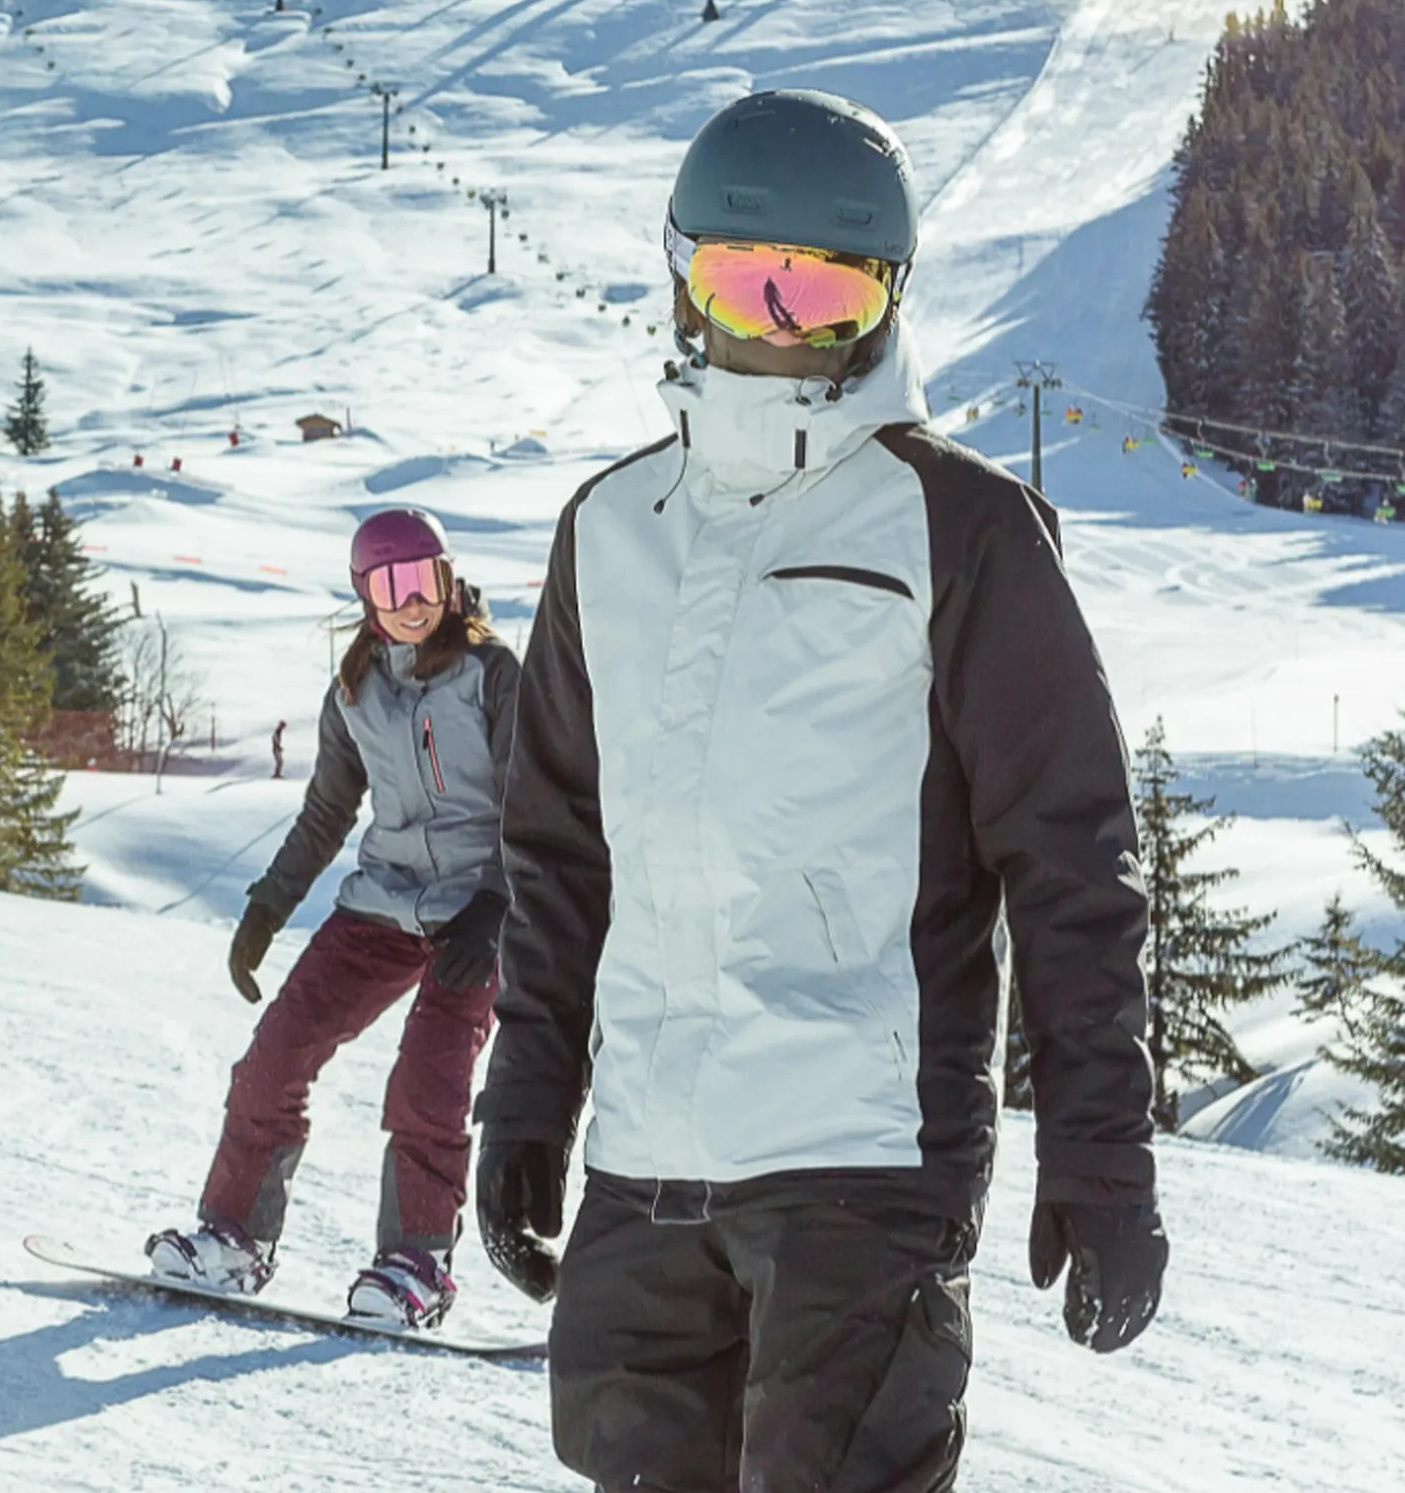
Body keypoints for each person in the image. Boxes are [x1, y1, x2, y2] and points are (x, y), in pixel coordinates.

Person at [473, 89, 1167, 1490]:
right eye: (745, 281)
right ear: (682, 281)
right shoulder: (606, 531)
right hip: (648, 1151)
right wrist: (531, 1095)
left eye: (826, 295)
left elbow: (1073, 855)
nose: (781, 328)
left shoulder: (959, 527)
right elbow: (557, 848)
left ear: (886, 303)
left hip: (863, 1155)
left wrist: (1102, 1152)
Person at [148, 508, 518, 1329]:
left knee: (427, 1083)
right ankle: (234, 1238)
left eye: (425, 580)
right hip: (381, 905)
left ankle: (416, 1262)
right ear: (365, 596)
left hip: (475, 911)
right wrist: (268, 905)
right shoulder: (355, 689)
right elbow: (327, 812)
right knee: (273, 1060)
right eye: (391, 585)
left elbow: (533, 805)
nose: (412, 600)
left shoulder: (494, 675)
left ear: (450, 583)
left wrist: (495, 905)